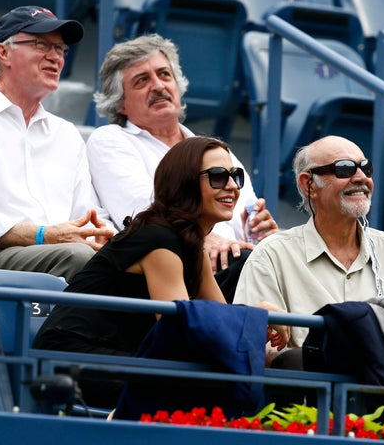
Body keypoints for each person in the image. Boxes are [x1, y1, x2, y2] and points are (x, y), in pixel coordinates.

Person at [33, 137, 289, 409]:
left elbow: (221, 325)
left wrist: (257, 327)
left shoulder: (191, 243)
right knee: (211, 387)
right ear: (184, 182)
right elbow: (182, 332)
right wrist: (258, 314)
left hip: (123, 357)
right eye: (217, 176)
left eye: (235, 176)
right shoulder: (159, 240)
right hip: (72, 358)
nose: (230, 185)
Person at [87, 34, 278, 301]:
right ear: (120, 102)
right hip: (168, 269)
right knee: (248, 266)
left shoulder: (216, 152)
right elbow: (143, 212)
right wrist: (203, 240)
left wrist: (264, 232)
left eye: (164, 75)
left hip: (231, 262)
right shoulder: (110, 140)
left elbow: (246, 215)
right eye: (142, 80)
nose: (158, 86)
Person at [233, 135, 384, 351]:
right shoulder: (272, 255)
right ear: (309, 185)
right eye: (344, 168)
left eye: (366, 168)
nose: (361, 177)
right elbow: (258, 351)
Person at [0, 5, 114, 283]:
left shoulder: (66, 135)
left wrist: (100, 234)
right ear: (3, 53)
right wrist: (44, 235)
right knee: (78, 257)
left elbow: (85, 217)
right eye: (41, 44)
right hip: (4, 255)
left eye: (61, 49)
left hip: (58, 254)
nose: (55, 57)